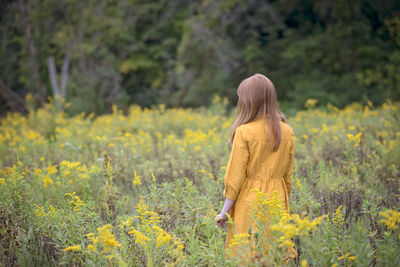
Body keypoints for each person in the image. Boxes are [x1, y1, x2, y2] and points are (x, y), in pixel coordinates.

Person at [215, 73, 296, 262]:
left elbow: (235, 178)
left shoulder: (244, 132)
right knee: (275, 253)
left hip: (250, 202)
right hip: (278, 199)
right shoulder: (287, 131)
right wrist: (284, 202)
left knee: (249, 254)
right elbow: (288, 176)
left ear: (249, 101)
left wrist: (224, 213)